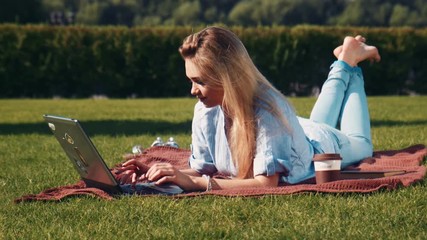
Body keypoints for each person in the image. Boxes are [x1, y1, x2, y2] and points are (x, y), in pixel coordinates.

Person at [116, 26, 381, 192]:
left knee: (361, 144)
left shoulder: (267, 112)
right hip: (296, 133)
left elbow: (267, 184)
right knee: (317, 121)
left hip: (321, 146)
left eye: (200, 82)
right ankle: (346, 58)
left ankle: (350, 61)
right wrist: (153, 172)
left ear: (227, 78)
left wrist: (196, 184)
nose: (193, 91)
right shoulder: (206, 109)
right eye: (191, 81)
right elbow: (203, 168)